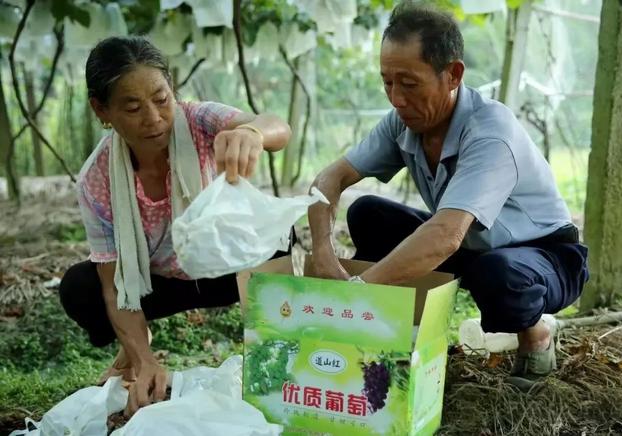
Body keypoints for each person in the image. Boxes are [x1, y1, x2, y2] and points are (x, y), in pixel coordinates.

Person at [308, 2, 588, 391]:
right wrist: (322, 251)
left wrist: (358, 294)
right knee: (368, 213)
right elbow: (330, 177)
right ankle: (398, 329)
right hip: (472, 247)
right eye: (386, 82)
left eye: (408, 84)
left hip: (542, 257)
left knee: (499, 273)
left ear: (453, 74)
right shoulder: (404, 122)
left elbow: (446, 236)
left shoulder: (489, 132)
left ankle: (536, 332)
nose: (395, 98)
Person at [59, 36, 291, 416]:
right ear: (101, 110)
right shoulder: (97, 180)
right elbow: (115, 285)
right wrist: (146, 361)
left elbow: (275, 126)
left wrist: (252, 133)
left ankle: (277, 348)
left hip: (222, 269)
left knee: (277, 230)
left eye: (161, 99)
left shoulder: (200, 121)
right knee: (79, 287)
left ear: (173, 91)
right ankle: (135, 347)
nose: (153, 118)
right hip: (159, 282)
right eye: (132, 107)